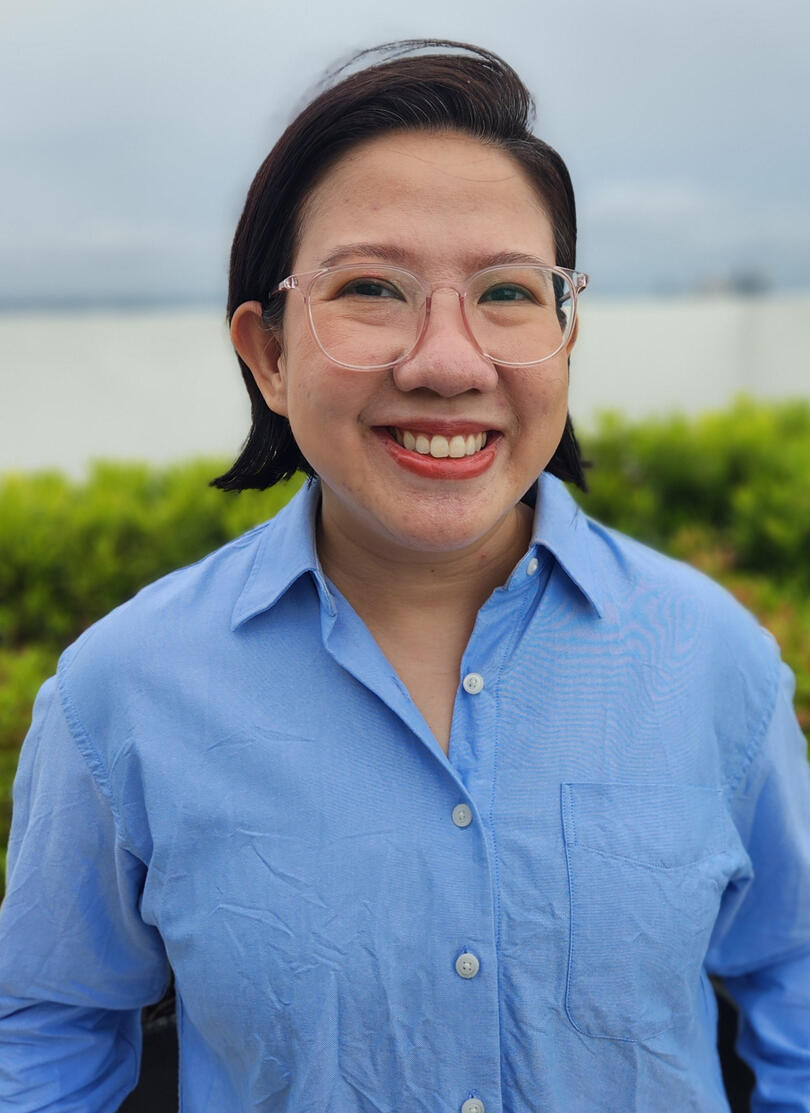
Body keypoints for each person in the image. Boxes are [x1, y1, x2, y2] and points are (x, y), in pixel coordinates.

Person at [1, 39, 809, 1113]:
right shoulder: (123, 694)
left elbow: (794, 988)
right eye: (373, 287)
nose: (447, 360)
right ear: (269, 354)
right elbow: (49, 1032)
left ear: (566, 335)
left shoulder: (715, 661)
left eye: (509, 293)